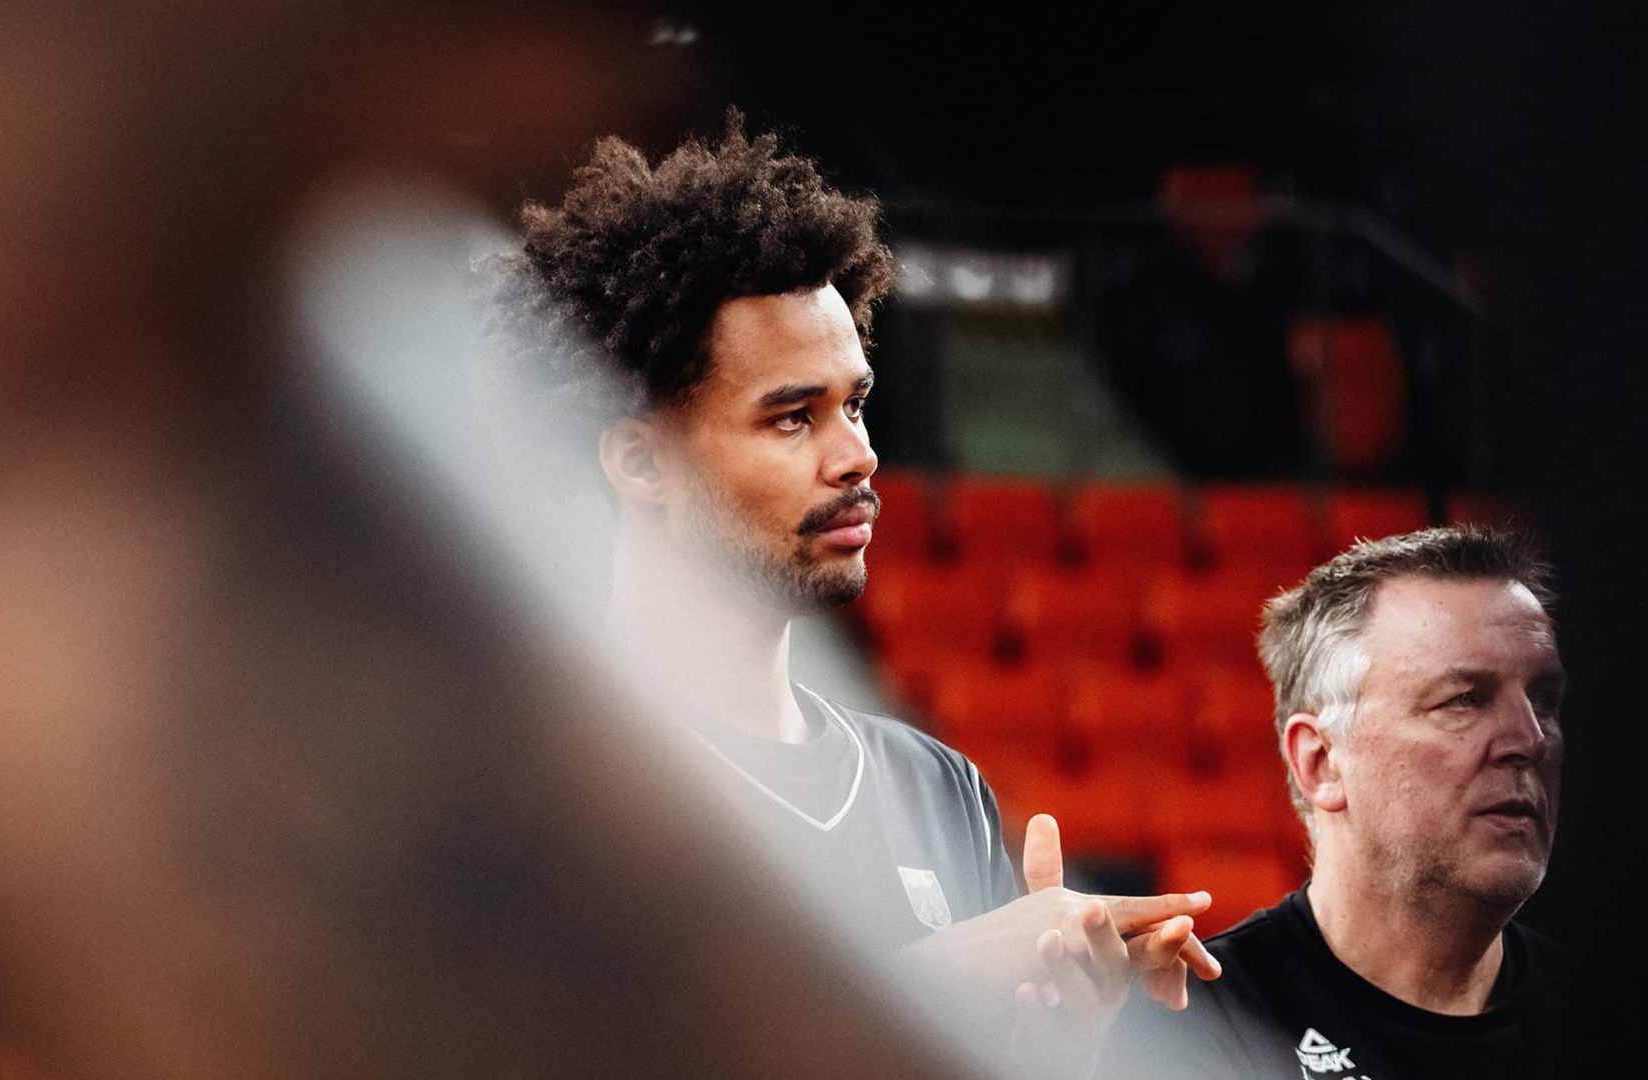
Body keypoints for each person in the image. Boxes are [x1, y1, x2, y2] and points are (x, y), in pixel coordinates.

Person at [496, 112, 1220, 1072]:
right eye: (793, 417)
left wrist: (1053, 1046)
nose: (859, 455)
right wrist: (929, 981)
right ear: (639, 462)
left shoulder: (937, 789)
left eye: (857, 404)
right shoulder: (515, 780)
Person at [1109, 525, 1567, 1080]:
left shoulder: (1633, 1016)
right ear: (1321, 762)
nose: (1530, 739)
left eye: (1545, 700)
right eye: (1464, 699)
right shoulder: (1199, 1029)